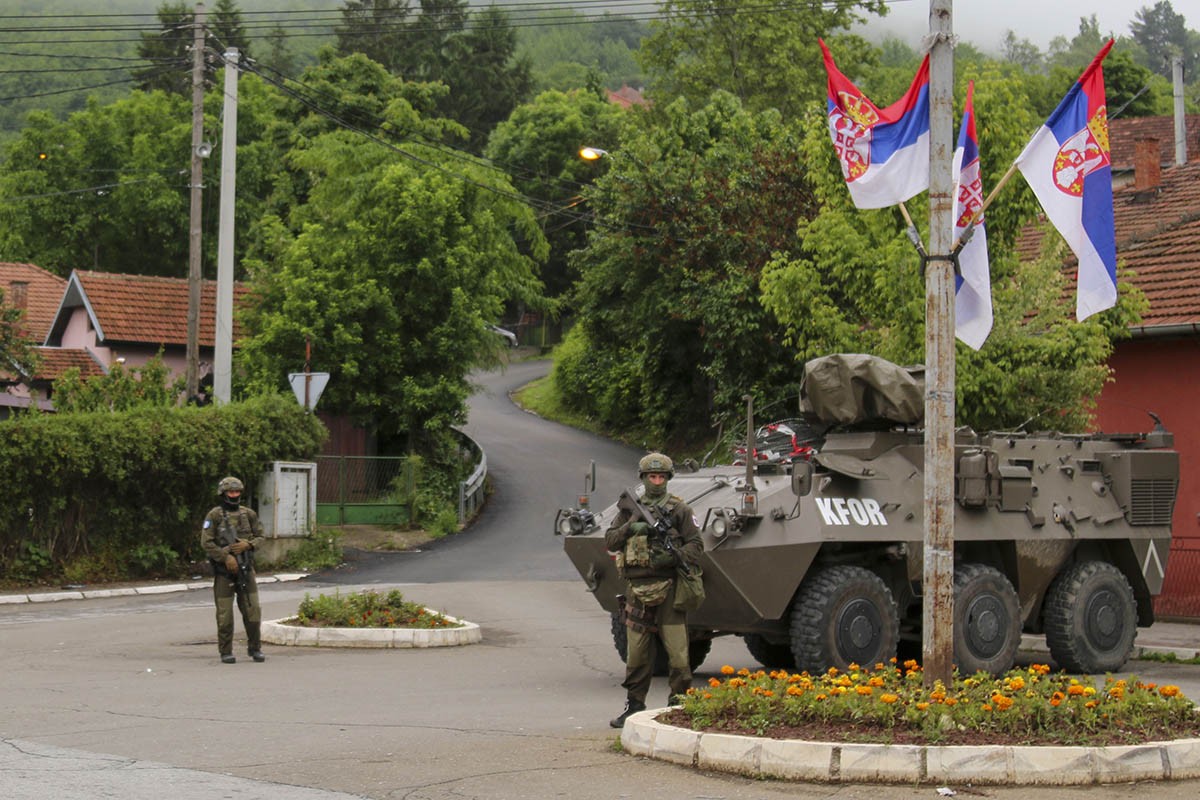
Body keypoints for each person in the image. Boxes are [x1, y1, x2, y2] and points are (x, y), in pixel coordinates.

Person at [604, 452, 703, 728]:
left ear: (668, 479)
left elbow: (696, 546)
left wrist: (670, 557)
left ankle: (679, 705)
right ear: (643, 478)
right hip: (637, 590)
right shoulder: (628, 509)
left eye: (661, 477)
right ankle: (634, 705)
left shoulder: (680, 510)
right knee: (637, 654)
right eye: (651, 476)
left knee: (679, 652)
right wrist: (631, 526)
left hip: (670, 588)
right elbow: (611, 541)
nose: (656, 481)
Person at [201, 476, 266, 664]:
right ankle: (225, 651)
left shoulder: (249, 514)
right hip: (224, 573)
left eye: (237, 491)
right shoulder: (214, 515)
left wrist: (248, 545)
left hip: (246, 570)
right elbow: (206, 542)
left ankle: (255, 648)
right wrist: (226, 557)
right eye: (231, 492)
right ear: (223, 493)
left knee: (253, 611)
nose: (234, 495)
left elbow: (261, 536)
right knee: (225, 615)